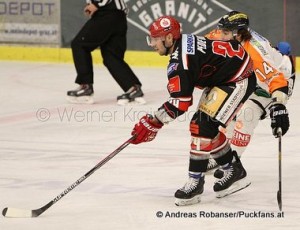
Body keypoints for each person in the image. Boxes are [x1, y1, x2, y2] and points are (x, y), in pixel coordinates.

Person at [130, 15, 257, 206]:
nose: (152, 43)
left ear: (170, 39)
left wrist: (154, 122)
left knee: (201, 126)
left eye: (156, 39)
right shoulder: (182, 46)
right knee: (204, 127)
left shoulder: (180, 62)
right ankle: (234, 171)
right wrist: (154, 120)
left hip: (238, 79)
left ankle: (195, 182)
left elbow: (180, 103)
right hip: (225, 78)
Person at [207, 11, 292, 177]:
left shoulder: (255, 52)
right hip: (251, 77)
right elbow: (201, 43)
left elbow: (276, 79)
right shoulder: (225, 35)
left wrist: (279, 105)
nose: (221, 36)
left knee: (247, 114)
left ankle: (233, 167)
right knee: (229, 112)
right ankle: (223, 158)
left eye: (225, 33)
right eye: (221, 31)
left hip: (277, 80)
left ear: (238, 34)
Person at [66, 0, 145, 105]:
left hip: (107, 14)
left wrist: (96, 4)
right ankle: (133, 88)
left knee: (79, 44)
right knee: (111, 57)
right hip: (118, 16)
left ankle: (85, 86)